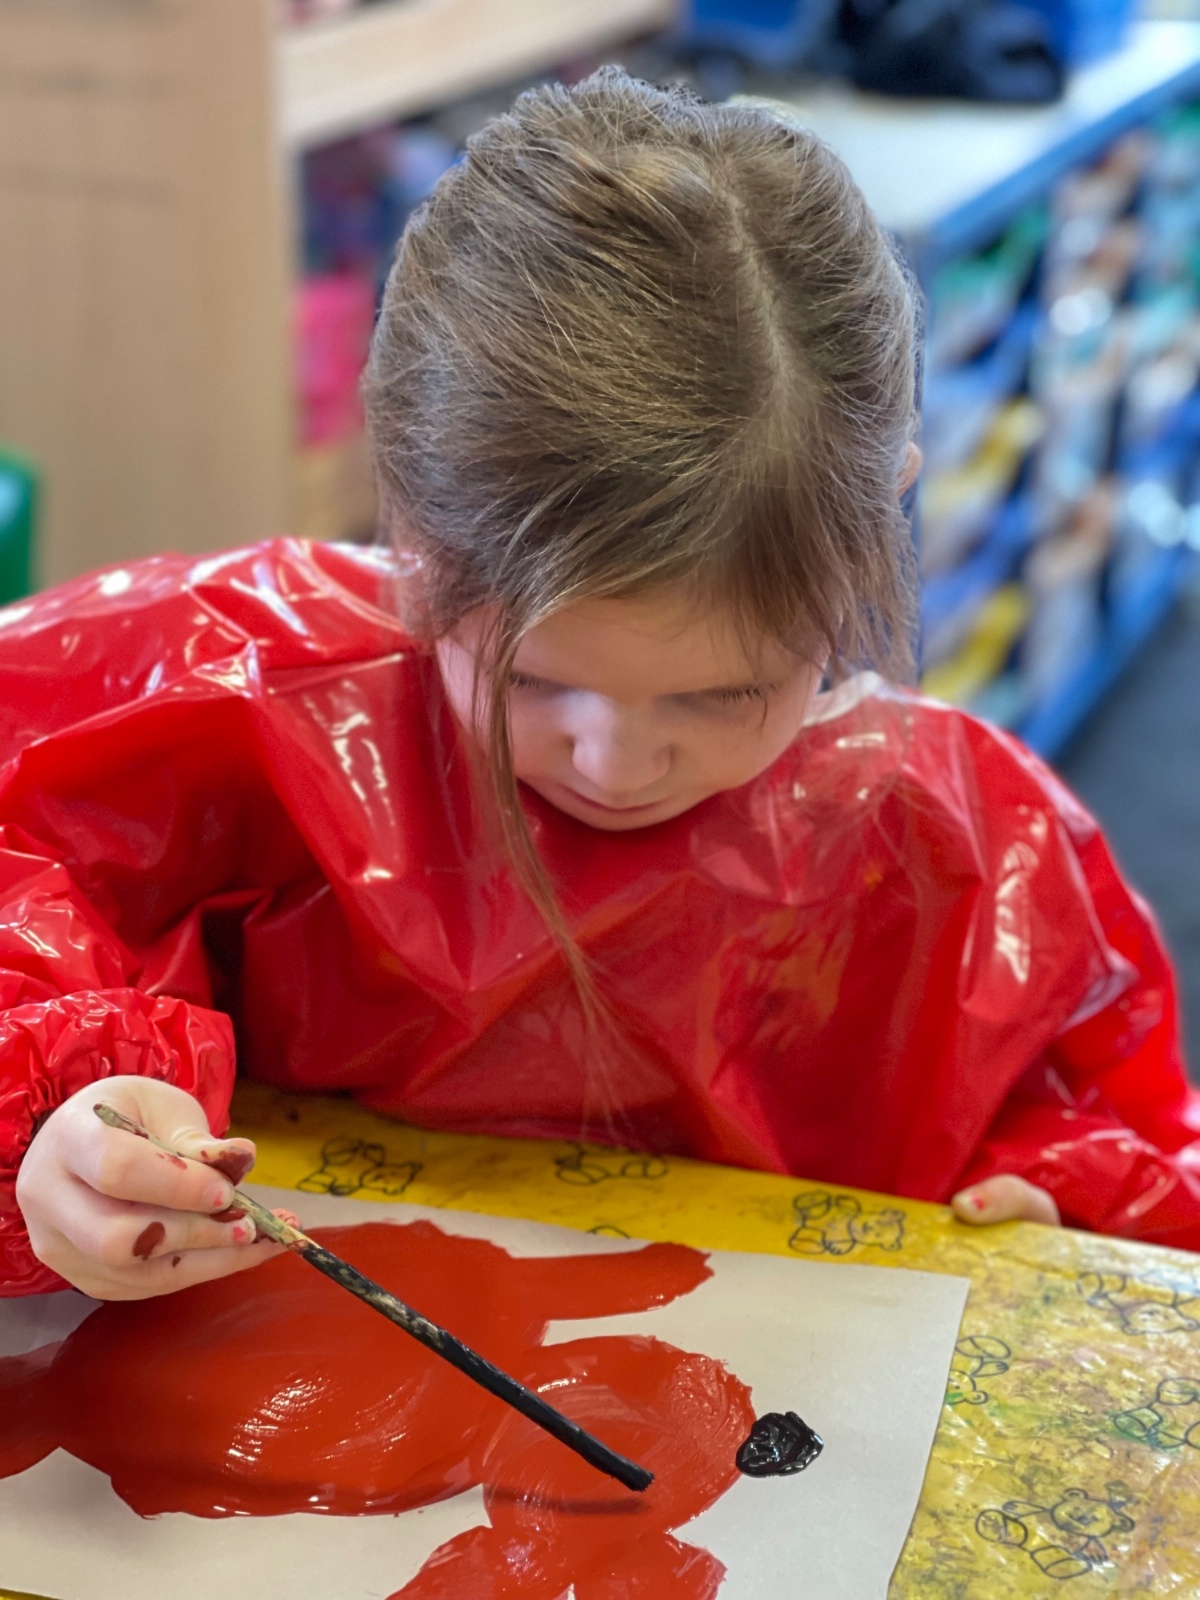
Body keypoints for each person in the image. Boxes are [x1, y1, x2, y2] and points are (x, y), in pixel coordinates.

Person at [5, 71, 1198, 1303]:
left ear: (881, 517)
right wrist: (56, 1120)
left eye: (725, 696)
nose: (616, 764)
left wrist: (1057, 1205)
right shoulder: (236, 693)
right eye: (532, 679)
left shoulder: (965, 846)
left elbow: (1112, 1135)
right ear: (410, 525)